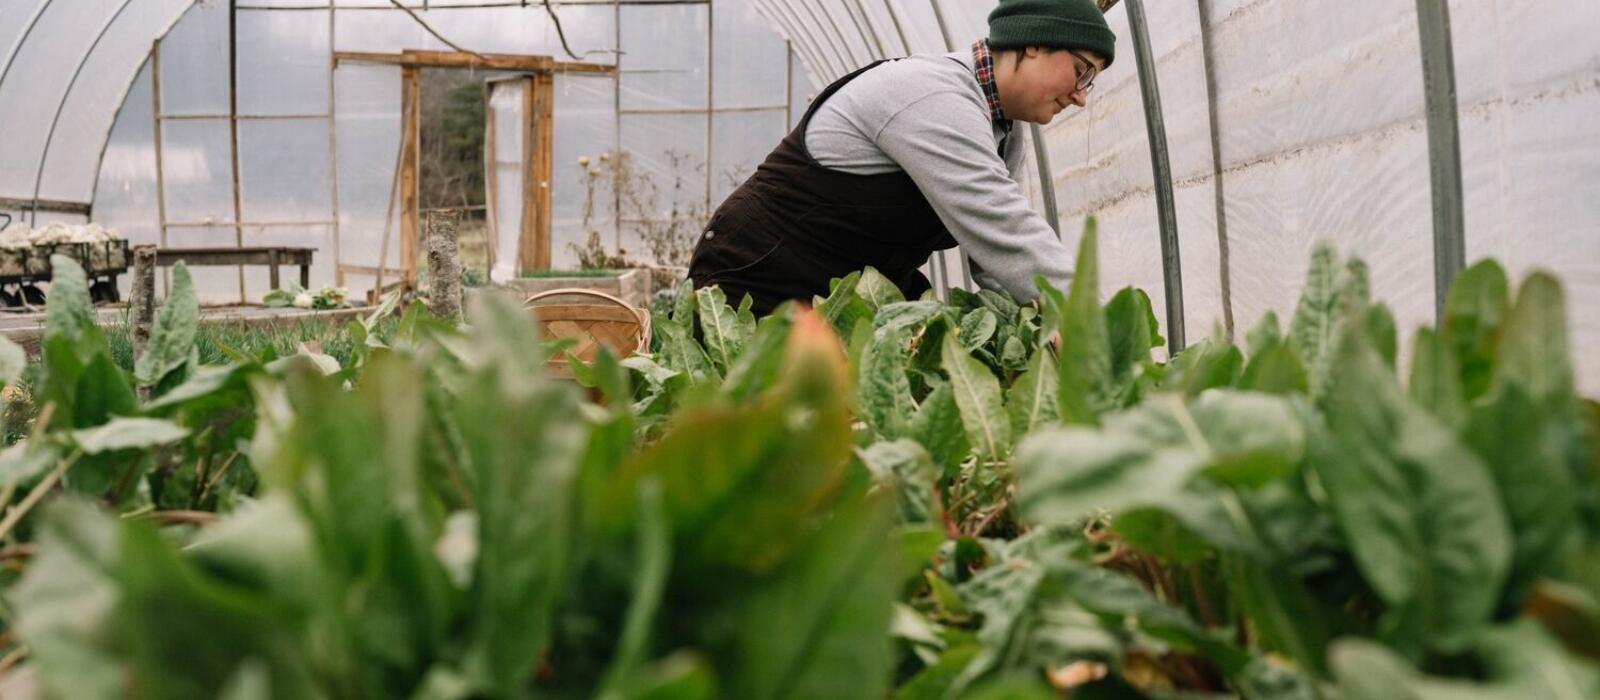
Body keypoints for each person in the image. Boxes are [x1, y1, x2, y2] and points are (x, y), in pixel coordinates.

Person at [687, 0, 1115, 316]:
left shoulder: (1004, 130)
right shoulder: (933, 96)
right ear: (1034, 43)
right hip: (756, 283)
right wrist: (1091, 322)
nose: (1080, 96)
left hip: (849, 300)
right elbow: (1006, 228)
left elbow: (996, 259)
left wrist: (1035, 321)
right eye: (1081, 71)